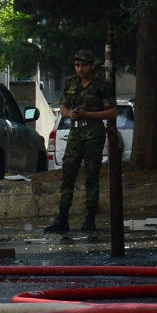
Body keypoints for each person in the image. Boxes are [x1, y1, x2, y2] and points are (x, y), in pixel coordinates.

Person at [45, 49, 116, 233]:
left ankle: (90, 219)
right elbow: (63, 107)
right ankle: (62, 218)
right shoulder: (71, 83)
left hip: (93, 133)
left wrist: (89, 114)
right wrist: (71, 114)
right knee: (68, 175)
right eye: (77, 65)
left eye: (84, 65)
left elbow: (111, 111)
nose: (80, 69)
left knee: (92, 176)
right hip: (75, 133)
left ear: (91, 66)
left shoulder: (102, 85)